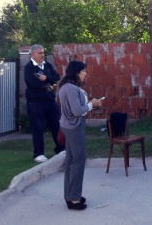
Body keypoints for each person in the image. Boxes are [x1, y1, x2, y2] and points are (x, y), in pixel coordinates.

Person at [58, 60, 103, 211]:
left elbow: (75, 108)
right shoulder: (71, 89)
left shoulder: (67, 87)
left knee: (71, 161)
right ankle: (74, 199)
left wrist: (90, 104)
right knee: (78, 161)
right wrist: (93, 104)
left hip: (68, 126)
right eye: (83, 71)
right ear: (77, 73)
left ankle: (71, 195)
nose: (85, 74)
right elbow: (77, 111)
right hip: (74, 128)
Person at [24, 44, 64, 163]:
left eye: (43, 53)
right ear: (32, 54)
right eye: (40, 53)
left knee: (56, 125)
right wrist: (50, 84)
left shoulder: (47, 65)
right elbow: (34, 84)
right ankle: (38, 154)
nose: (42, 55)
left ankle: (60, 149)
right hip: (35, 103)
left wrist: (46, 78)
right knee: (37, 128)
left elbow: (56, 77)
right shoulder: (29, 68)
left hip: (50, 101)